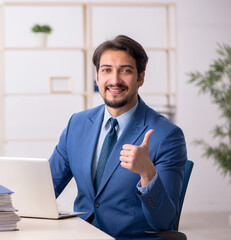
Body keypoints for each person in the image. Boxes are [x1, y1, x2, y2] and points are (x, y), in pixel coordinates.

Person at [49, 35, 187, 239]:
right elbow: (47, 187)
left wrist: (147, 174)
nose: (114, 80)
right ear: (97, 77)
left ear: (140, 77)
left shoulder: (167, 136)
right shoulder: (77, 124)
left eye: (125, 70)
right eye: (106, 70)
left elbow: (165, 221)